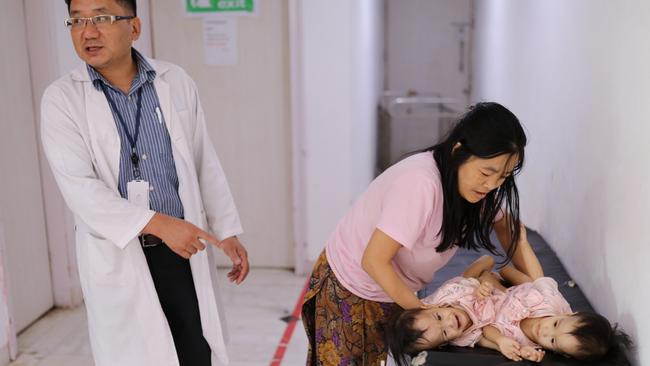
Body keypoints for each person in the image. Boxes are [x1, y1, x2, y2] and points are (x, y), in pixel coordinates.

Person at [40, 0, 250, 365]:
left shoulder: (174, 81)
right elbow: (81, 189)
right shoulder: (62, 99)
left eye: (101, 18)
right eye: (76, 21)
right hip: (119, 253)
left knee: (194, 350)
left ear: (133, 27)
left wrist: (226, 228)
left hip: (183, 252)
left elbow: (203, 159)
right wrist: (159, 224)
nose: (87, 31)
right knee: (136, 355)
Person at [301, 102, 532, 365]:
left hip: (395, 290)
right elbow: (373, 260)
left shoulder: (477, 189)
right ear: (459, 150)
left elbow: (509, 230)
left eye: (502, 177)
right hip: (351, 285)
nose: (492, 185)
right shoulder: (420, 184)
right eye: (486, 172)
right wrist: (424, 310)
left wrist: (542, 294)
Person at [386, 250, 631, 364]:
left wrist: (482, 284)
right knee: (516, 283)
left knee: (477, 277)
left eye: (553, 342)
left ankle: (488, 267)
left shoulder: (449, 297)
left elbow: (490, 334)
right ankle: (497, 272)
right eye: (444, 332)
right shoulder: (552, 304)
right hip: (512, 296)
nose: (449, 323)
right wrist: (520, 243)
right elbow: (537, 280)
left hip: (471, 294)